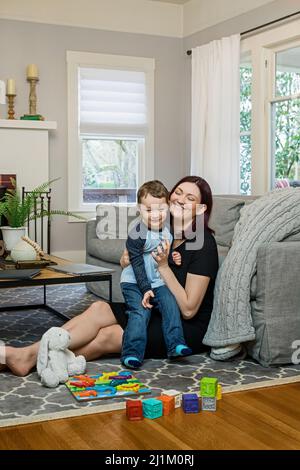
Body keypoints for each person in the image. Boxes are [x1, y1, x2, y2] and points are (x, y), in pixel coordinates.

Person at [2, 176, 219, 377]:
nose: (180, 199)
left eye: (190, 198)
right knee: (99, 308)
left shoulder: (204, 244)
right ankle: (28, 354)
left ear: (200, 209)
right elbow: (139, 257)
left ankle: (33, 360)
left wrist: (163, 267)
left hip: (183, 326)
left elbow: (189, 309)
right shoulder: (163, 229)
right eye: (178, 192)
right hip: (155, 305)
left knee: (109, 334)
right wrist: (128, 259)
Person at [120, 180, 192, 369]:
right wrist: (145, 289)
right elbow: (136, 264)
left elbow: (160, 256)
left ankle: (175, 343)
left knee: (170, 304)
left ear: (167, 207)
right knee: (140, 312)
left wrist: (172, 257)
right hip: (135, 282)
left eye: (160, 210)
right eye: (149, 210)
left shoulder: (166, 232)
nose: (155, 215)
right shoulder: (137, 233)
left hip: (157, 281)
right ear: (139, 209)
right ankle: (131, 352)